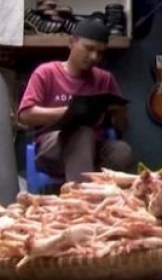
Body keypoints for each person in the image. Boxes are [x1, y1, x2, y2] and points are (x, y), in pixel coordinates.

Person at [17, 18, 132, 183]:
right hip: (53, 148)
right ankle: (82, 195)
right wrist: (70, 112)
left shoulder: (104, 79)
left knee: (121, 151)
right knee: (81, 133)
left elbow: (121, 127)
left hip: (94, 148)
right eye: (89, 48)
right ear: (72, 42)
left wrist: (120, 112)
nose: (94, 57)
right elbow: (25, 115)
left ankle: (98, 191)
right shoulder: (46, 73)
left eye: (100, 53)